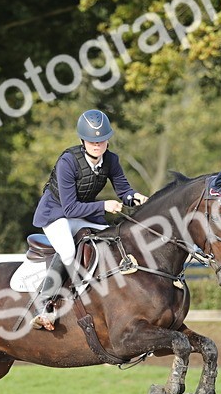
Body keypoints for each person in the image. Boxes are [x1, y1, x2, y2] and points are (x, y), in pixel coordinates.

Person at [29, 109, 148, 330]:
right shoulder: (68, 161)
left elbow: (124, 190)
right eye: (92, 141)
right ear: (83, 140)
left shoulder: (111, 160)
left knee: (114, 237)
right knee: (67, 251)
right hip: (55, 214)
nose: (97, 144)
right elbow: (70, 207)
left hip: (82, 214)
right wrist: (104, 205)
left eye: (101, 140)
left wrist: (135, 197)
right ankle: (45, 305)